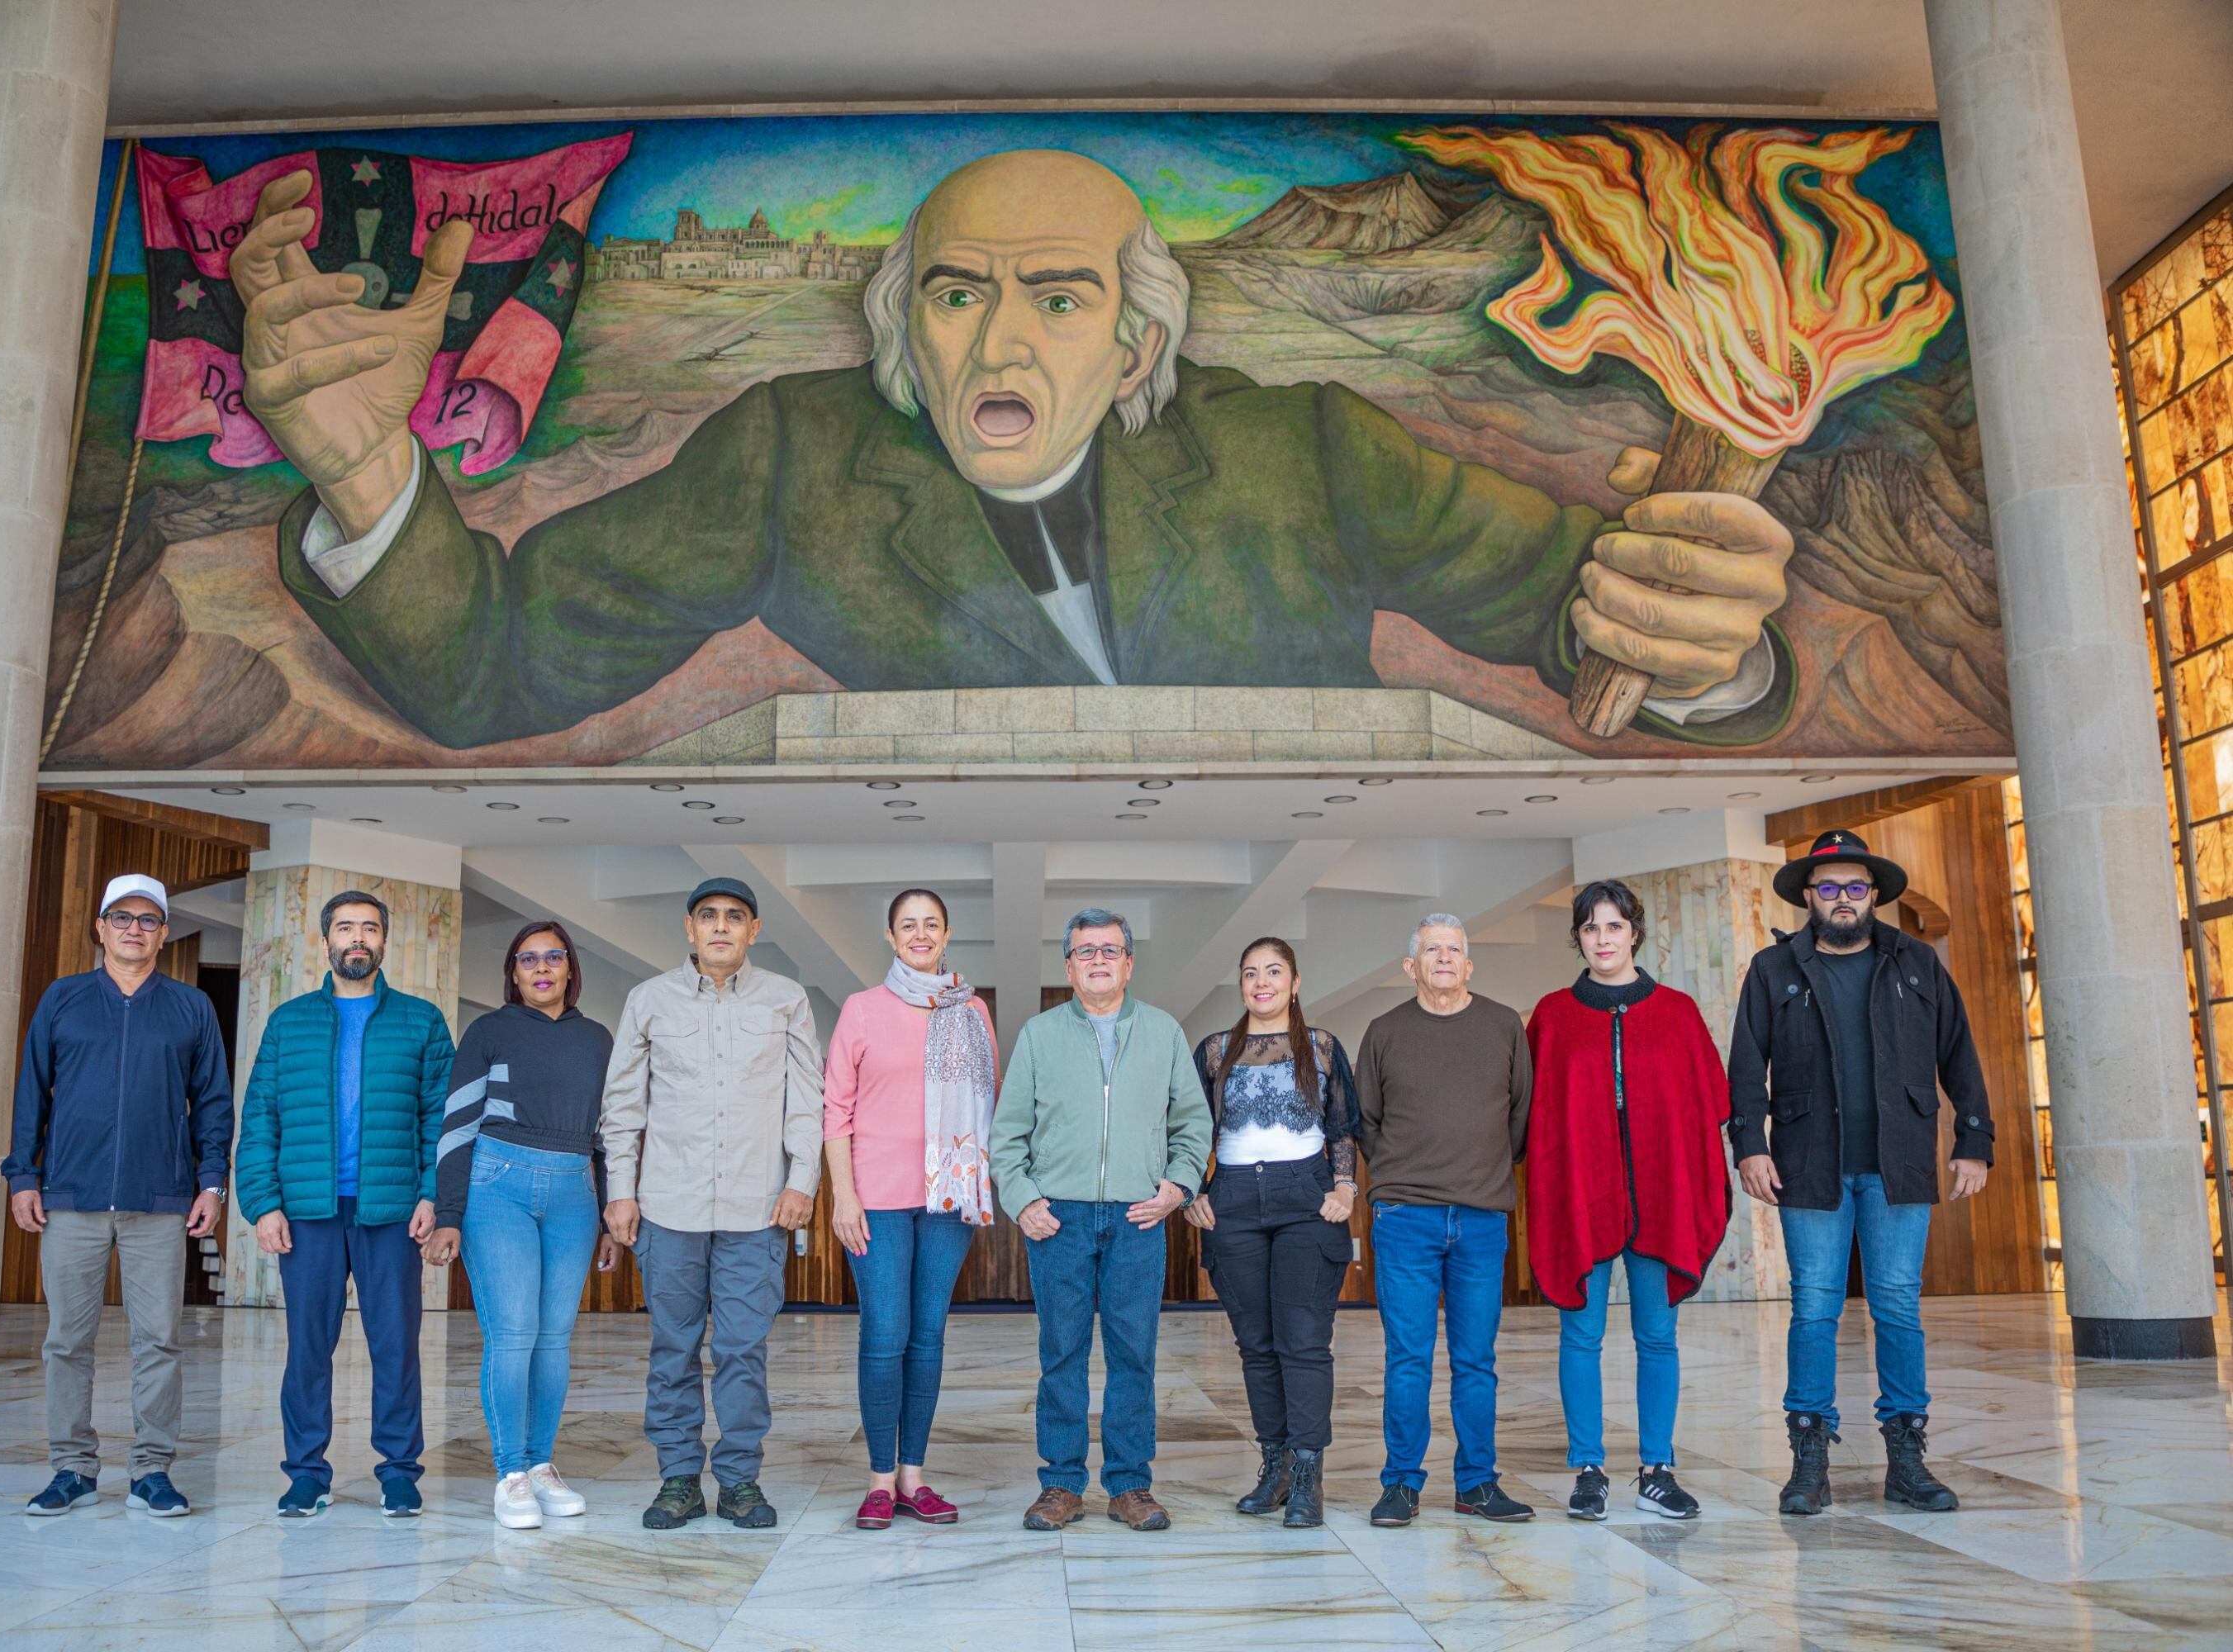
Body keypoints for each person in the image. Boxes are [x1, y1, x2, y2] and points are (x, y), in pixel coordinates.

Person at [231, 150, 1797, 752]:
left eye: (1060, 299)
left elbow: (1584, 610)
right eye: (958, 297)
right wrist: (370, 476)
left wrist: (1698, 646)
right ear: (906, 332)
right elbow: (488, 669)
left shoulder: (1309, 451)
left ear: (1134, 344)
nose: (1000, 346)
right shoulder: (794, 455)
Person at [1731, 828, 1993, 1517]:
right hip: (1807, 1162)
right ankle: (1808, 1460)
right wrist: (1749, 1145)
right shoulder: (1773, 968)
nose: (1841, 899)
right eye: (1828, 888)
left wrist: (1974, 1139)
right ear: (1808, 898)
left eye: (1854, 888)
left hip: (1897, 1162)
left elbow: (1958, 1053)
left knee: (1898, 1308)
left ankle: (1906, 1459)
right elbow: (1745, 1063)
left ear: (1873, 895)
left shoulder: (1917, 962)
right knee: (1814, 1307)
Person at [3, 873, 232, 1517]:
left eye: (149, 919)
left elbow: (214, 1101)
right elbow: (31, 1092)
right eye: (122, 917)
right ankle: (72, 1468)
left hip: (158, 1200)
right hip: (70, 1199)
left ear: (164, 933)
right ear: (101, 928)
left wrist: (210, 1181)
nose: (135, 929)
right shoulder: (64, 999)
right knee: (66, 1343)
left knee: (157, 1340)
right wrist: (24, 1174)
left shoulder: (190, 1008)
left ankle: (152, 1471)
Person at [601, 876, 824, 1531]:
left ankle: (739, 1481)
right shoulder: (649, 1001)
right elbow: (623, 1106)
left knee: (742, 1349)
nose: (721, 926)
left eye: (735, 917)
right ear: (690, 929)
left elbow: (806, 1100)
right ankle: (677, 1480)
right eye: (708, 916)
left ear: (755, 931)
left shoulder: (786, 1000)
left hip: (759, 1208)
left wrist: (802, 1180)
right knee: (671, 1346)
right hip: (668, 1207)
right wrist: (620, 1191)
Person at [990, 908, 1211, 1534]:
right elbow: (1007, 1134)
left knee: (1133, 1355)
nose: (1097, 960)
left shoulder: (1164, 1033)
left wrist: (1177, 1185)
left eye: (1109, 950)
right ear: (1068, 965)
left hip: (1140, 1216)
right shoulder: (1039, 1035)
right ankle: (1060, 1484)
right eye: (1085, 951)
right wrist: (1024, 1199)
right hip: (1059, 1219)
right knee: (1061, 1353)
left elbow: (1193, 1123)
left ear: (1129, 963)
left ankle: (1130, 1485)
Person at [235, 890, 452, 1519]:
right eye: (346, 927)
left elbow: (439, 1119)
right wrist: (263, 1204)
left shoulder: (421, 1021)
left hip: (389, 1210)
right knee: (307, 1347)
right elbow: (261, 1117)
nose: (358, 938)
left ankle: (398, 1471)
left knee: (396, 1345)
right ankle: (306, 1473)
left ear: (385, 942)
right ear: (325, 940)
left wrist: (432, 1193)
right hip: (308, 1211)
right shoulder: (288, 1021)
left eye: (370, 928)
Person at [1523, 881, 1732, 1522]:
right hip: (1582, 1191)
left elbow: (1707, 1105)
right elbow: (1534, 1113)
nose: (1603, 939)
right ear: (1579, 938)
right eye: (1591, 929)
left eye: (1614, 927)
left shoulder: (1677, 1011)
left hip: (1659, 1193)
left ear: (1634, 933)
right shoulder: (1553, 1014)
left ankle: (1656, 1469)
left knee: (1657, 1336)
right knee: (1580, 1335)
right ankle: (1588, 1469)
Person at [421, 920, 623, 1530]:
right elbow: (457, 1126)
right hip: (496, 1185)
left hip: (574, 1191)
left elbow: (611, 1135)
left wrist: (613, 1216)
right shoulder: (488, 1030)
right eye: (528, 959)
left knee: (555, 1338)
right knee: (513, 1334)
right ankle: (511, 1474)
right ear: (513, 972)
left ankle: (541, 1465)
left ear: (569, 969)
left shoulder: (597, 1039)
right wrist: (450, 1214)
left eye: (553, 958)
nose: (541, 968)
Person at [822, 888, 1000, 1529]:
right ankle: (877, 1479)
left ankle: (913, 1478)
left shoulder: (973, 1011)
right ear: (892, 938)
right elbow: (834, 1110)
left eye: (931, 924)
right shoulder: (862, 1009)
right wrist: (843, 1195)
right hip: (877, 1199)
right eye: (908, 925)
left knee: (927, 1337)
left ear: (947, 935)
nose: (920, 934)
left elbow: (989, 1103)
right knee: (884, 1333)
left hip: (948, 1198)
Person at [1355, 912, 1534, 1527]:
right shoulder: (1383, 1031)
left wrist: (1477, 1173)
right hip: (1406, 1217)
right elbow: (1368, 1121)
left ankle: (1477, 1484)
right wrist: (1404, 1178)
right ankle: (1401, 1484)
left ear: (1469, 964)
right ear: (1411, 966)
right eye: (1431, 950)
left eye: (1454, 950)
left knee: (1476, 1359)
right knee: (1407, 1358)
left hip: (1482, 1218)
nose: (1443, 959)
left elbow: (1520, 1117)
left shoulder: (1504, 1025)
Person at [1185, 938, 1360, 1529]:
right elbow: (1187, 1129)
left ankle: (1309, 1473)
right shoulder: (1213, 1051)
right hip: (1233, 1199)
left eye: (1274, 971)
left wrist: (1343, 1188)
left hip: (1304, 1197)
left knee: (1304, 1342)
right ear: (1240, 983)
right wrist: (1191, 1193)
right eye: (1251, 973)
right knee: (1256, 1345)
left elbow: (1342, 1126)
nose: (1262, 982)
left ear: (1295, 980)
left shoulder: (1323, 1047)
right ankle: (1275, 1466)